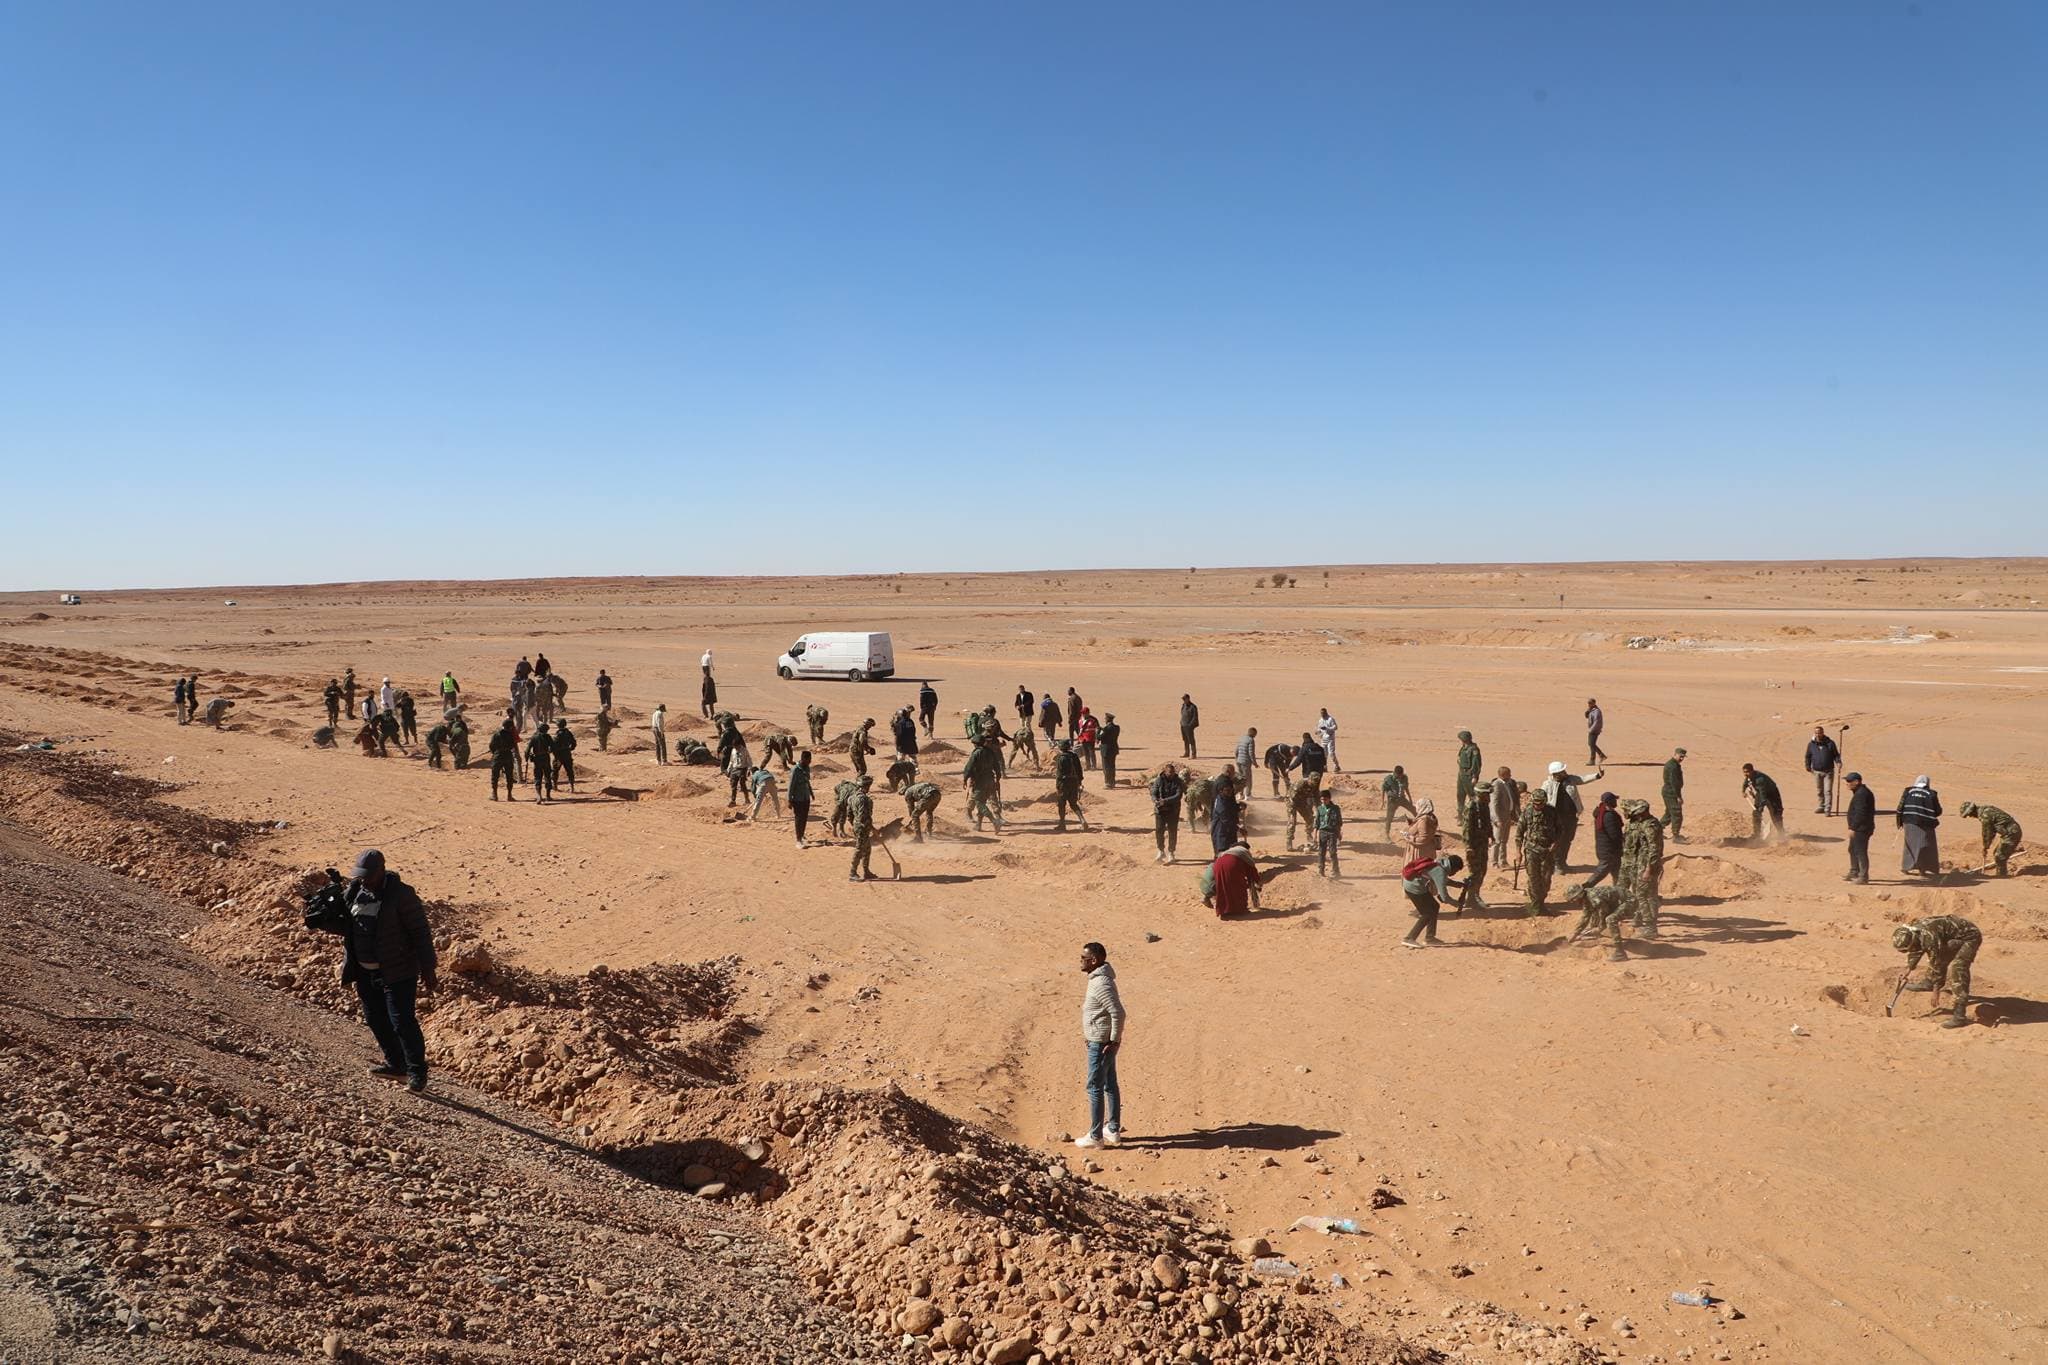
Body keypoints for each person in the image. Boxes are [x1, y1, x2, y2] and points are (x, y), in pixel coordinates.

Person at [330, 850, 436, 1092]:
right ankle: (396, 1065)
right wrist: (324, 917)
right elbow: (348, 926)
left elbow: (421, 933)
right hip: (365, 971)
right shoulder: (356, 891)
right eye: (361, 875)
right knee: (375, 1018)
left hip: (398, 971)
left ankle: (417, 1072)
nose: (364, 879)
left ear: (381, 870)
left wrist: (429, 969)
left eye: (369, 875)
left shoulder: (401, 895)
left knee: (402, 1022)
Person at [1075, 943, 1126, 1150]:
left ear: (1094, 960)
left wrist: (1114, 1041)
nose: (1080, 961)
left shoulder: (1101, 984)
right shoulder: (1098, 980)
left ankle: (1096, 1135)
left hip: (1102, 1044)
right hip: (1101, 1040)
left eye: (1083, 957)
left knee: (1094, 1087)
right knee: (1109, 1084)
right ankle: (1112, 1129)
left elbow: (1118, 1013)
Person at [1893, 916, 1980, 1028]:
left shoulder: (1929, 936)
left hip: (1969, 937)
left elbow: (1936, 960)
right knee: (1938, 953)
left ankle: (1959, 1016)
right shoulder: (1914, 931)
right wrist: (1908, 969)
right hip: (1953, 937)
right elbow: (1917, 948)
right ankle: (1928, 982)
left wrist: (1936, 989)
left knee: (1958, 968)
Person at [1542, 761, 1602, 872]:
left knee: (1568, 840)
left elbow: (1582, 779)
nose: (1565, 772)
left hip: (1570, 817)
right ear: (1556, 774)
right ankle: (1556, 864)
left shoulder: (1570, 779)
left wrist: (1597, 776)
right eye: (1562, 771)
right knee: (1558, 840)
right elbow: (1542, 798)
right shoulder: (1547, 784)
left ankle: (1562, 862)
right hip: (1556, 818)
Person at [1618, 798, 1664, 938]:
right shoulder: (1641, 823)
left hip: (1647, 865)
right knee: (1644, 895)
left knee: (1645, 896)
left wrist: (1649, 869)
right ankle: (1644, 922)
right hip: (1640, 864)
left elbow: (1654, 849)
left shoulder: (1650, 826)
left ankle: (1650, 928)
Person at [1400, 854, 1466, 949]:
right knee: (1427, 913)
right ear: (1453, 867)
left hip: (1413, 884)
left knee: (1434, 906)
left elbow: (1441, 879)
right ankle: (1409, 938)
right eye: (1456, 871)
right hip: (1415, 888)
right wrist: (1457, 904)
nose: (1454, 873)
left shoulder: (1440, 863)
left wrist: (1456, 884)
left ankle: (1430, 938)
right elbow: (1445, 897)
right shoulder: (1440, 871)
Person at [1566, 882, 1633, 962]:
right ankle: (1598, 935)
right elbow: (1585, 917)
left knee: (1610, 920)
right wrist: (1575, 934)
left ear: (1579, 895)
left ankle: (1620, 953)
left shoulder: (1594, 898)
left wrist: (1599, 928)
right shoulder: (1586, 897)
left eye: (1574, 899)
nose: (1573, 902)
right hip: (1617, 902)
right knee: (1594, 912)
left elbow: (1604, 913)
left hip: (1629, 902)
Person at [1519, 790, 1555, 914]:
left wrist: (1556, 843)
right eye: (1535, 803)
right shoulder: (1527, 812)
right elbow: (1519, 832)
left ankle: (1541, 903)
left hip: (1547, 851)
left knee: (1545, 879)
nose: (1537, 806)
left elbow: (1560, 829)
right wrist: (1518, 852)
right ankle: (1535, 906)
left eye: (1540, 804)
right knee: (1534, 879)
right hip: (1531, 850)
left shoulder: (1552, 812)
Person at [1897, 775, 1942, 875]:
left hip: (1909, 822)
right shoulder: (1931, 794)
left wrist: (1899, 822)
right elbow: (1938, 811)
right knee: (1926, 846)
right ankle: (1924, 869)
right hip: (1926, 824)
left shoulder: (1908, 791)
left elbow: (1900, 807)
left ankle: (1906, 867)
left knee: (1909, 845)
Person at [1203, 843, 1261, 917]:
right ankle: (1239, 910)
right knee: (1239, 887)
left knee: (1223, 887)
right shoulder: (1244, 853)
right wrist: (1257, 880)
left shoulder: (1226, 852)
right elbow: (1251, 869)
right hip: (1231, 865)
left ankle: (1224, 910)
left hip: (1218, 865)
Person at [1459, 785, 1491, 907]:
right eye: (1487, 794)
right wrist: (1468, 846)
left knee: (1483, 870)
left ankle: (1474, 895)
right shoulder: (1471, 806)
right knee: (1475, 872)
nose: (1489, 797)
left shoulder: (1484, 805)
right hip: (1473, 846)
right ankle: (1472, 898)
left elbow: (1486, 822)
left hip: (1482, 844)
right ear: (1480, 794)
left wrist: (1491, 835)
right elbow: (1466, 828)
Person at [964, 735, 1004, 831]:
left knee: (979, 802)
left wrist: (965, 779)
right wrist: (997, 778)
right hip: (990, 780)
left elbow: (969, 767)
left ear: (975, 744)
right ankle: (979, 824)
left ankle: (994, 821)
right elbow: (997, 766)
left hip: (979, 781)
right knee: (983, 801)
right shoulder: (990, 752)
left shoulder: (976, 753)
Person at [1584, 792, 1624, 886]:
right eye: (1614, 800)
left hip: (1606, 849)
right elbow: (1614, 835)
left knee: (1617, 871)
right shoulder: (1609, 816)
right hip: (1609, 850)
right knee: (1602, 871)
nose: (1616, 802)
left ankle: (1618, 890)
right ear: (1609, 801)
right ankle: (1585, 887)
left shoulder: (1601, 813)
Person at [1150, 763, 1185, 864]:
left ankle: (1171, 852)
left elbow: (1178, 795)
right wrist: (1155, 800)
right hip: (1160, 811)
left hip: (1173, 811)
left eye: (1173, 772)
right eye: (1170, 773)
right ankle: (1160, 850)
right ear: (1165, 772)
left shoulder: (1178, 781)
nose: (1172, 774)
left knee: (1172, 831)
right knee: (1159, 831)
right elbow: (1153, 792)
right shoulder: (1159, 780)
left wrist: (1165, 801)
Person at [1742, 763, 1785, 843]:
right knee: (1756, 813)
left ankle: (1781, 834)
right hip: (1760, 792)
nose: (1745, 774)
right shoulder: (1749, 777)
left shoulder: (1760, 780)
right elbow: (1746, 783)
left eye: (1747, 772)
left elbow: (1763, 795)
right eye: (1744, 772)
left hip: (1772, 794)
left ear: (1752, 771)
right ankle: (1756, 834)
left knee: (1775, 814)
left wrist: (1761, 807)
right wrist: (1743, 791)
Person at [1803, 725, 1842, 813]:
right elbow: (1808, 756)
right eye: (1816, 733)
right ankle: (1821, 806)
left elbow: (1836, 755)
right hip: (1816, 771)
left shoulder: (1830, 743)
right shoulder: (1811, 744)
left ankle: (1827, 808)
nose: (1818, 734)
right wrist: (1807, 766)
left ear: (1823, 733)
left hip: (1828, 771)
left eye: (1819, 733)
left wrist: (1838, 762)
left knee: (1828, 790)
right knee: (1819, 790)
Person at [846, 776, 877, 882]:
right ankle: (852, 873)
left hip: (859, 826)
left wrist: (855, 825)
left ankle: (866, 871)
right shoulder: (863, 799)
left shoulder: (852, 797)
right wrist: (866, 826)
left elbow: (849, 815)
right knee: (859, 849)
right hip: (862, 827)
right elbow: (863, 816)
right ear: (866, 786)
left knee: (867, 849)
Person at [1053, 740, 1088, 832]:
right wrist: (1079, 782)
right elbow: (1079, 770)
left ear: (1061, 748)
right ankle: (1082, 820)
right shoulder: (1074, 756)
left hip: (1063, 784)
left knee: (1061, 804)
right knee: (1073, 803)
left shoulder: (1060, 758)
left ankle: (1062, 824)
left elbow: (1059, 774)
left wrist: (1058, 786)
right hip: (1074, 782)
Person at [1488, 767, 1519, 869]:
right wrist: (1496, 819)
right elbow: (1494, 804)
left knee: (1504, 840)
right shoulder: (1496, 785)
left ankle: (1503, 860)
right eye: (1509, 774)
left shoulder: (1508, 784)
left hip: (1507, 816)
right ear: (1503, 774)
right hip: (1499, 818)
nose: (1510, 776)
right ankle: (1494, 862)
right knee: (1497, 840)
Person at [1283, 776, 1320, 851]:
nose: (1313, 784)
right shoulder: (1300, 783)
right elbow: (1293, 797)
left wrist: (1318, 809)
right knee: (1292, 821)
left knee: (1310, 818)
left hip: (1302, 802)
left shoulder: (1314, 786)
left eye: (1315, 782)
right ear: (1309, 779)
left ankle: (1309, 835)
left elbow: (1316, 798)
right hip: (1291, 801)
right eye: (1312, 781)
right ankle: (1289, 841)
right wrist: (1294, 809)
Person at [1313, 788, 1344, 879]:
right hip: (1323, 832)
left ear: (1329, 799)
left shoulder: (1336, 808)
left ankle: (1336, 871)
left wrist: (1339, 834)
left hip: (1332, 832)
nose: (1323, 801)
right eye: (1322, 799)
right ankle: (1321, 870)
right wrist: (1315, 834)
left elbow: (1339, 822)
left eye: (1325, 799)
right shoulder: (1319, 809)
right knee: (1321, 852)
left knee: (1333, 852)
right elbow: (1317, 823)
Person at [1209, 769, 1241, 853]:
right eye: (1227, 791)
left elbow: (1231, 808)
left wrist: (1239, 807)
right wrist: (1239, 828)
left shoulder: (1226, 799)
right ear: (1221, 791)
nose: (1230, 793)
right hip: (1221, 833)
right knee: (1222, 854)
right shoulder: (1220, 803)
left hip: (1228, 832)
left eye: (1230, 790)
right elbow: (1225, 818)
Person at [1381, 766, 1417, 839]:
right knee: (1389, 818)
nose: (1400, 777)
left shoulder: (1404, 777)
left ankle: (1421, 828)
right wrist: (1382, 802)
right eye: (1398, 775)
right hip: (1392, 800)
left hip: (1402, 799)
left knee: (1414, 810)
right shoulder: (1389, 779)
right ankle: (1386, 834)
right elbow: (1383, 789)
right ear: (1395, 773)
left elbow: (1406, 788)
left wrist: (1410, 798)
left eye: (1401, 775)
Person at [788, 750, 815, 847]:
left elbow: (807, 781)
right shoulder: (795, 770)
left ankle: (802, 835)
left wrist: (811, 793)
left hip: (805, 797)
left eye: (810, 759)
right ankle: (798, 840)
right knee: (798, 818)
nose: (810, 761)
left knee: (804, 818)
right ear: (803, 759)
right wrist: (789, 800)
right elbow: (791, 786)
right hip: (797, 798)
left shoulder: (807, 768)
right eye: (808, 760)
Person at [488, 719, 520, 800]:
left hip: (498, 755)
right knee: (509, 776)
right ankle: (509, 795)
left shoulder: (496, 734)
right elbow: (513, 746)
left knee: (495, 776)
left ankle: (494, 795)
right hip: (508, 756)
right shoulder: (510, 735)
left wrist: (495, 752)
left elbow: (491, 746)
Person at [1660, 747, 1687, 841]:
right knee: (1676, 813)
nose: (1681, 759)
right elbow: (1674, 783)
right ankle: (1676, 835)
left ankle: (1658, 831)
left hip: (1669, 791)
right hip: (1671, 792)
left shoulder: (1674, 764)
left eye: (1683, 757)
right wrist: (1678, 796)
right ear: (1675, 754)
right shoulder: (1673, 766)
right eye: (1680, 756)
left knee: (1669, 813)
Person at [1455, 730, 1484, 815]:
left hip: (1469, 775)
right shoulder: (1464, 747)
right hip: (1461, 774)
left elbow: (1476, 764)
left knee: (1472, 795)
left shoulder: (1473, 749)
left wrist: (1475, 776)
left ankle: (1475, 814)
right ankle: (1461, 814)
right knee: (1460, 795)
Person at [1405, 797, 1441, 862]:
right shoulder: (1430, 817)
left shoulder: (1423, 820)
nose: (1416, 808)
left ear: (1422, 806)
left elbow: (1423, 838)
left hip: (1421, 853)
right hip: (1428, 850)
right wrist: (1413, 823)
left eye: (1418, 806)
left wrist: (1409, 838)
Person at [526, 724, 555, 801]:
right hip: (545, 758)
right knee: (547, 776)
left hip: (537, 759)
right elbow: (553, 747)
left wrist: (527, 758)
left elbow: (528, 749)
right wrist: (549, 751)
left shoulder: (534, 737)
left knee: (538, 777)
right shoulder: (548, 737)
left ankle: (539, 795)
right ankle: (548, 796)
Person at [723, 734, 753, 806]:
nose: (736, 748)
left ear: (739, 745)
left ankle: (747, 799)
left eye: (737, 746)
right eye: (734, 746)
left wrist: (749, 769)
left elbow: (749, 760)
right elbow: (731, 760)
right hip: (734, 769)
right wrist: (728, 769)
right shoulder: (733, 751)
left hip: (742, 769)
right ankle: (733, 800)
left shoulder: (744, 750)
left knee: (742, 784)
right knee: (733, 785)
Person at [551, 718, 577, 792]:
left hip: (559, 756)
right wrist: (570, 749)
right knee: (569, 771)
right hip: (567, 754)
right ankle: (572, 787)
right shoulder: (568, 733)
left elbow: (553, 745)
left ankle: (555, 786)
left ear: (557, 725)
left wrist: (553, 752)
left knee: (555, 770)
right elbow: (574, 743)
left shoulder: (557, 735)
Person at [1235, 727, 1260, 796]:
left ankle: (1241, 794)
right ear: (1253, 733)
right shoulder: (1251, 740)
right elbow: (1251, 753)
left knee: (1240, 779)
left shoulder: (1241, 738)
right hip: (1245, 762)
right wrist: (1255, 763)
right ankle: (1248, 795)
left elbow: (1236, 751)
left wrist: (1237, 759)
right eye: (1255, 734)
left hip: (1239, 761)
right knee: (1248, 779)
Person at [1098, 713, 1121, 787]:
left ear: (1107, 719)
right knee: (1112, 766)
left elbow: (1099, 737)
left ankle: (1107, 782)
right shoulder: (1117, 727)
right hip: (1113, 749)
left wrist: (1097, 731)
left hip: (1106, 750)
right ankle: (1112, 781)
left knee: (1106, 767)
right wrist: (1102, 729)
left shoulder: (1106, 729)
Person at [1316, 707, 1340, 772]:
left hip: (1330, 738)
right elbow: (1319, 728)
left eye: (1323, 713)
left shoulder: (1330, 719)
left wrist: (1327, 728)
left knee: (1331, 753)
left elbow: (1335, 727)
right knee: (1324, 754)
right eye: (1321, 713)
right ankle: (1324, 767)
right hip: (1323, 739)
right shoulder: (1320, 720)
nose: (1322, 714)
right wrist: (1318, 731)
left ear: (1326, 712)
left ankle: (1337, 766)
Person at [1585, 698, 1607, 765]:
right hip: (1593, 729)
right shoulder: (1591, 710)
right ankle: (1598, 757)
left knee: (1591, 744)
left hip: (1594, 730)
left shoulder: (1596, 711)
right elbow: (1587, 717)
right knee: (1591, 744)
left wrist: (1591, 729)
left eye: (1590, 703)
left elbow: (1597, 722)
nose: (1589, 704)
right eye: (1588, 703)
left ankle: (1598, 757)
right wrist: (1587, 712)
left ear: (1594, 703)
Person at [1179, 694, 1200, 758]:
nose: (1184, 700)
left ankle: (1193, 754)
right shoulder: (1183, 705)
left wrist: (1190, 725)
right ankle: (1186, 753)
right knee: (1185, 740)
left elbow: (1195, 717)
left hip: (1189, 726)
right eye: (1183, 699)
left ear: (1188, 698)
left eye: (1185, 699)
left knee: (1191, 740)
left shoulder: (1193, 707)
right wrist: (1181, 722)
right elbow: (1182, 714)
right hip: (1183, 725)